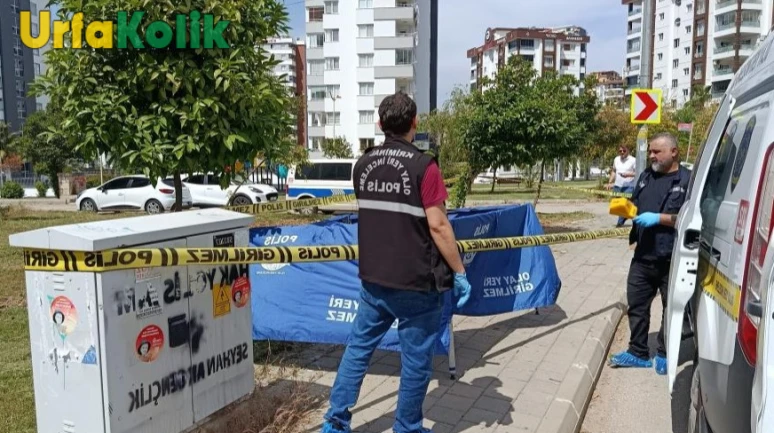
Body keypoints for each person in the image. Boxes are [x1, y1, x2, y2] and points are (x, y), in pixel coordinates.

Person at [321, 92, 472, 433]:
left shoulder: (363, 165)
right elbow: (438, 225)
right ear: (415, 123)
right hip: (417, 282)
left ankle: (335, 421)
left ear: (380, 124)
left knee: (358, 349)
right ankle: (407, 426)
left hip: (375, 279)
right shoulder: (424, 166)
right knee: (415, 360)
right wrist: (460, 271)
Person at [608, 133, 690, 375]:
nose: (652, 156)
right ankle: (638, 352)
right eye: (651, 151)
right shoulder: (645, 176)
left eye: (657, 152)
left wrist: (659, 218)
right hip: (643, 255)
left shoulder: (688, 181)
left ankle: (665, 352)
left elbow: (692, 218)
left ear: (673, 152)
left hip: (672, 259)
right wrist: (627, 210)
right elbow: (636, 203)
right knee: (637, 304)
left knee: (671, 308)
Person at [606, 145, 637, 227]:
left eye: (624, 150)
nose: (622, 152)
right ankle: (630, 215)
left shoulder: (633, 160)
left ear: (628, 150)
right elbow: (614, 171)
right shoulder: (616, 159)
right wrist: (610, 182)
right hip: (617, 185)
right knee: (618, 205)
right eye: (620, 151)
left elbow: (638, 173)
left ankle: (620, 222)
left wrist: (629, 174)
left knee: (623, 203)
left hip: (628, 186)